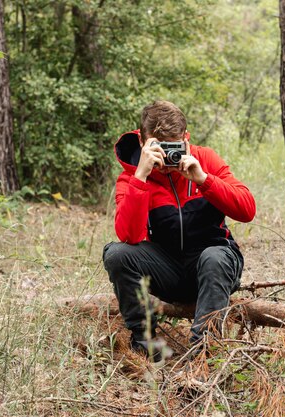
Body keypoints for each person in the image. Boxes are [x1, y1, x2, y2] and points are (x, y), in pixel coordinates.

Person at [102, 100, 255, 361]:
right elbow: (128, 236)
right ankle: (145, 344)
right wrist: (141, 177)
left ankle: (203, 353)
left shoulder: (205, 158)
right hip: (168, 269)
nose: (168, 155)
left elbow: (247, 210)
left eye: (174, 146)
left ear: (186, 138)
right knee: (116, 254)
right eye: (160, 147)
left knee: (214, 257)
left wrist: (204, 180)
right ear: (142, 142)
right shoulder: (132, 175)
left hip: (214, 265)